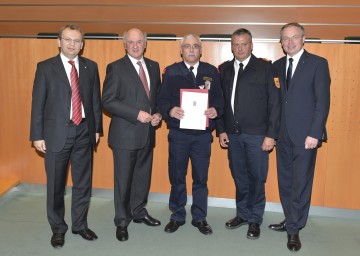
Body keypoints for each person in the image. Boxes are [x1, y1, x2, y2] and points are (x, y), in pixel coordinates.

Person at [30, 24, 103, 248]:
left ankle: (80, 225)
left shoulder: (91, 67)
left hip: (84, 132)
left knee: (83, 183)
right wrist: (37, 134)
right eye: (68, 40)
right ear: (59, 41)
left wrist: (97, 129)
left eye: (77, 41)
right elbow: (38, 104)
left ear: (82, 44)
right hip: (55, 134)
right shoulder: (45, 67)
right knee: (56, 186)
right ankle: (58, 228)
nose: (73, 44)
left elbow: (94, 102)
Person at [269, 22, 331, 252]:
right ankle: (290, 218)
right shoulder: (276, 66)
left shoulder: (317, 64)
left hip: (306, 136)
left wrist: (315, 133)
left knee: (300, 184)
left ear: (304, 39)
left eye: (295, 37)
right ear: (281, 42)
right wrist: (272, 133)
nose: (290, 42)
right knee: (285, 182)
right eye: (285, 38)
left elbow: (322, 102)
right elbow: (275, 103)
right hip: (283, 135)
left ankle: (294, 229)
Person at [216, 28, 280, 240]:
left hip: (258, 136)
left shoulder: (264, 68)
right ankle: (242, 215)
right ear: (231, 46)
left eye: (244, 44)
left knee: (257, 179)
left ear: (251, 45)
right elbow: (220, 103)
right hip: (233, 136)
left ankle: (255, 220)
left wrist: (271, 134)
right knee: (240, 177)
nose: (240, 48)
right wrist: (221, 129)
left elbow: (274, 102)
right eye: (236, 44)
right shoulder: (224, 69)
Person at [158, 34, 224, 235]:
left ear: (201, 50)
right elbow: (161, 100)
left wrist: (215, 111)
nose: (192, 49)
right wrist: (170, 110)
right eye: (187, 46)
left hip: (203, 136)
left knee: (200, 178)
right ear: (181, 50)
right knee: (177, 176)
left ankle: (199, 217)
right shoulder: (170, 72)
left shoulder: (211, 71)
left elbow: (220, 100)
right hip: (179, 134)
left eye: (195, 46)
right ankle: (177, 215)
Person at [102, 28, 162, 242]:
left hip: (147, 134)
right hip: (124, 135)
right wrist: (137, 114)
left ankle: (138, 212)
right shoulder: (116, 68)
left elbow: (157, 98)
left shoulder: (154, 67)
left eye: (139, 42)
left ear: (145, 43)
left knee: (142, 179)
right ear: (124, 44)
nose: (135, 45)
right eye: (131, 42)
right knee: (123, 180)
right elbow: (107, 101)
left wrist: (157, 114)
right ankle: (121, 221)